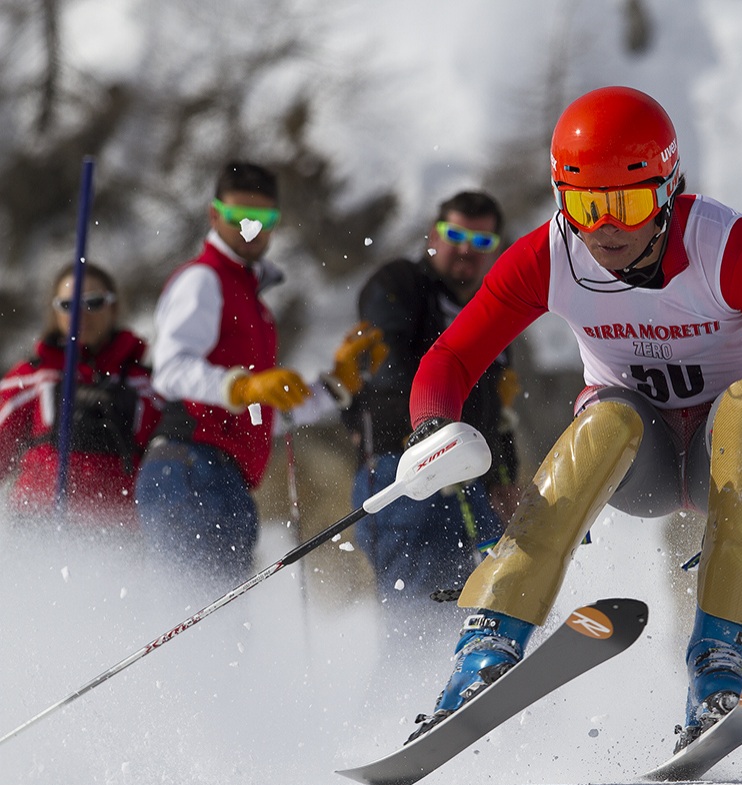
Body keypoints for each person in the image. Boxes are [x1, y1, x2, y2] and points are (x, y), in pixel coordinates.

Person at [401, 87, 742, 750]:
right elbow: (450, 358)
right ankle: (487, 641)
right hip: (638, 460)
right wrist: (433, 428)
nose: (606, 229)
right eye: (585, 205)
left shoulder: (727, 247)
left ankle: (719, 661)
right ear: (562, 200)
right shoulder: (554, 254)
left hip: (733, 454)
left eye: (629, 204)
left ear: (670, 192)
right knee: (606, 419)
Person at [135, 160, 385, 580]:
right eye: (238, 217)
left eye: (262, 218)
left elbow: (260, 412)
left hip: (222, 476)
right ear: (215, 215)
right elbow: (170, 370)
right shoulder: (204, 280)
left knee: (220, 627)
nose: (250, 228)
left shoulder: (253, 302)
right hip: (189, 466)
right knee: (198, 620)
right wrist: (242, 386)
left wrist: (332, 386)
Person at [344, 190, 520, 606]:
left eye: (481, 242)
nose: (465, 250)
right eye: (455, 234)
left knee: (486, 603)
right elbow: (392, 369)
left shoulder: (491, 308)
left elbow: (497, 413)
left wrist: (503, 476)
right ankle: (409, 673)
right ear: (433, 235)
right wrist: (440, 426)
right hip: (402, 471)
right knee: (420, 613)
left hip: (469, 478)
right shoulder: (400, 284)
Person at [0, 263, 160, 526]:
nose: (81, 314)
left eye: (93, 302)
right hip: (40, 524)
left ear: (114, 307)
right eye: (68, 305)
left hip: (118, 532)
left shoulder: (145, 385)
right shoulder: (31, 379)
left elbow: (168, 458)